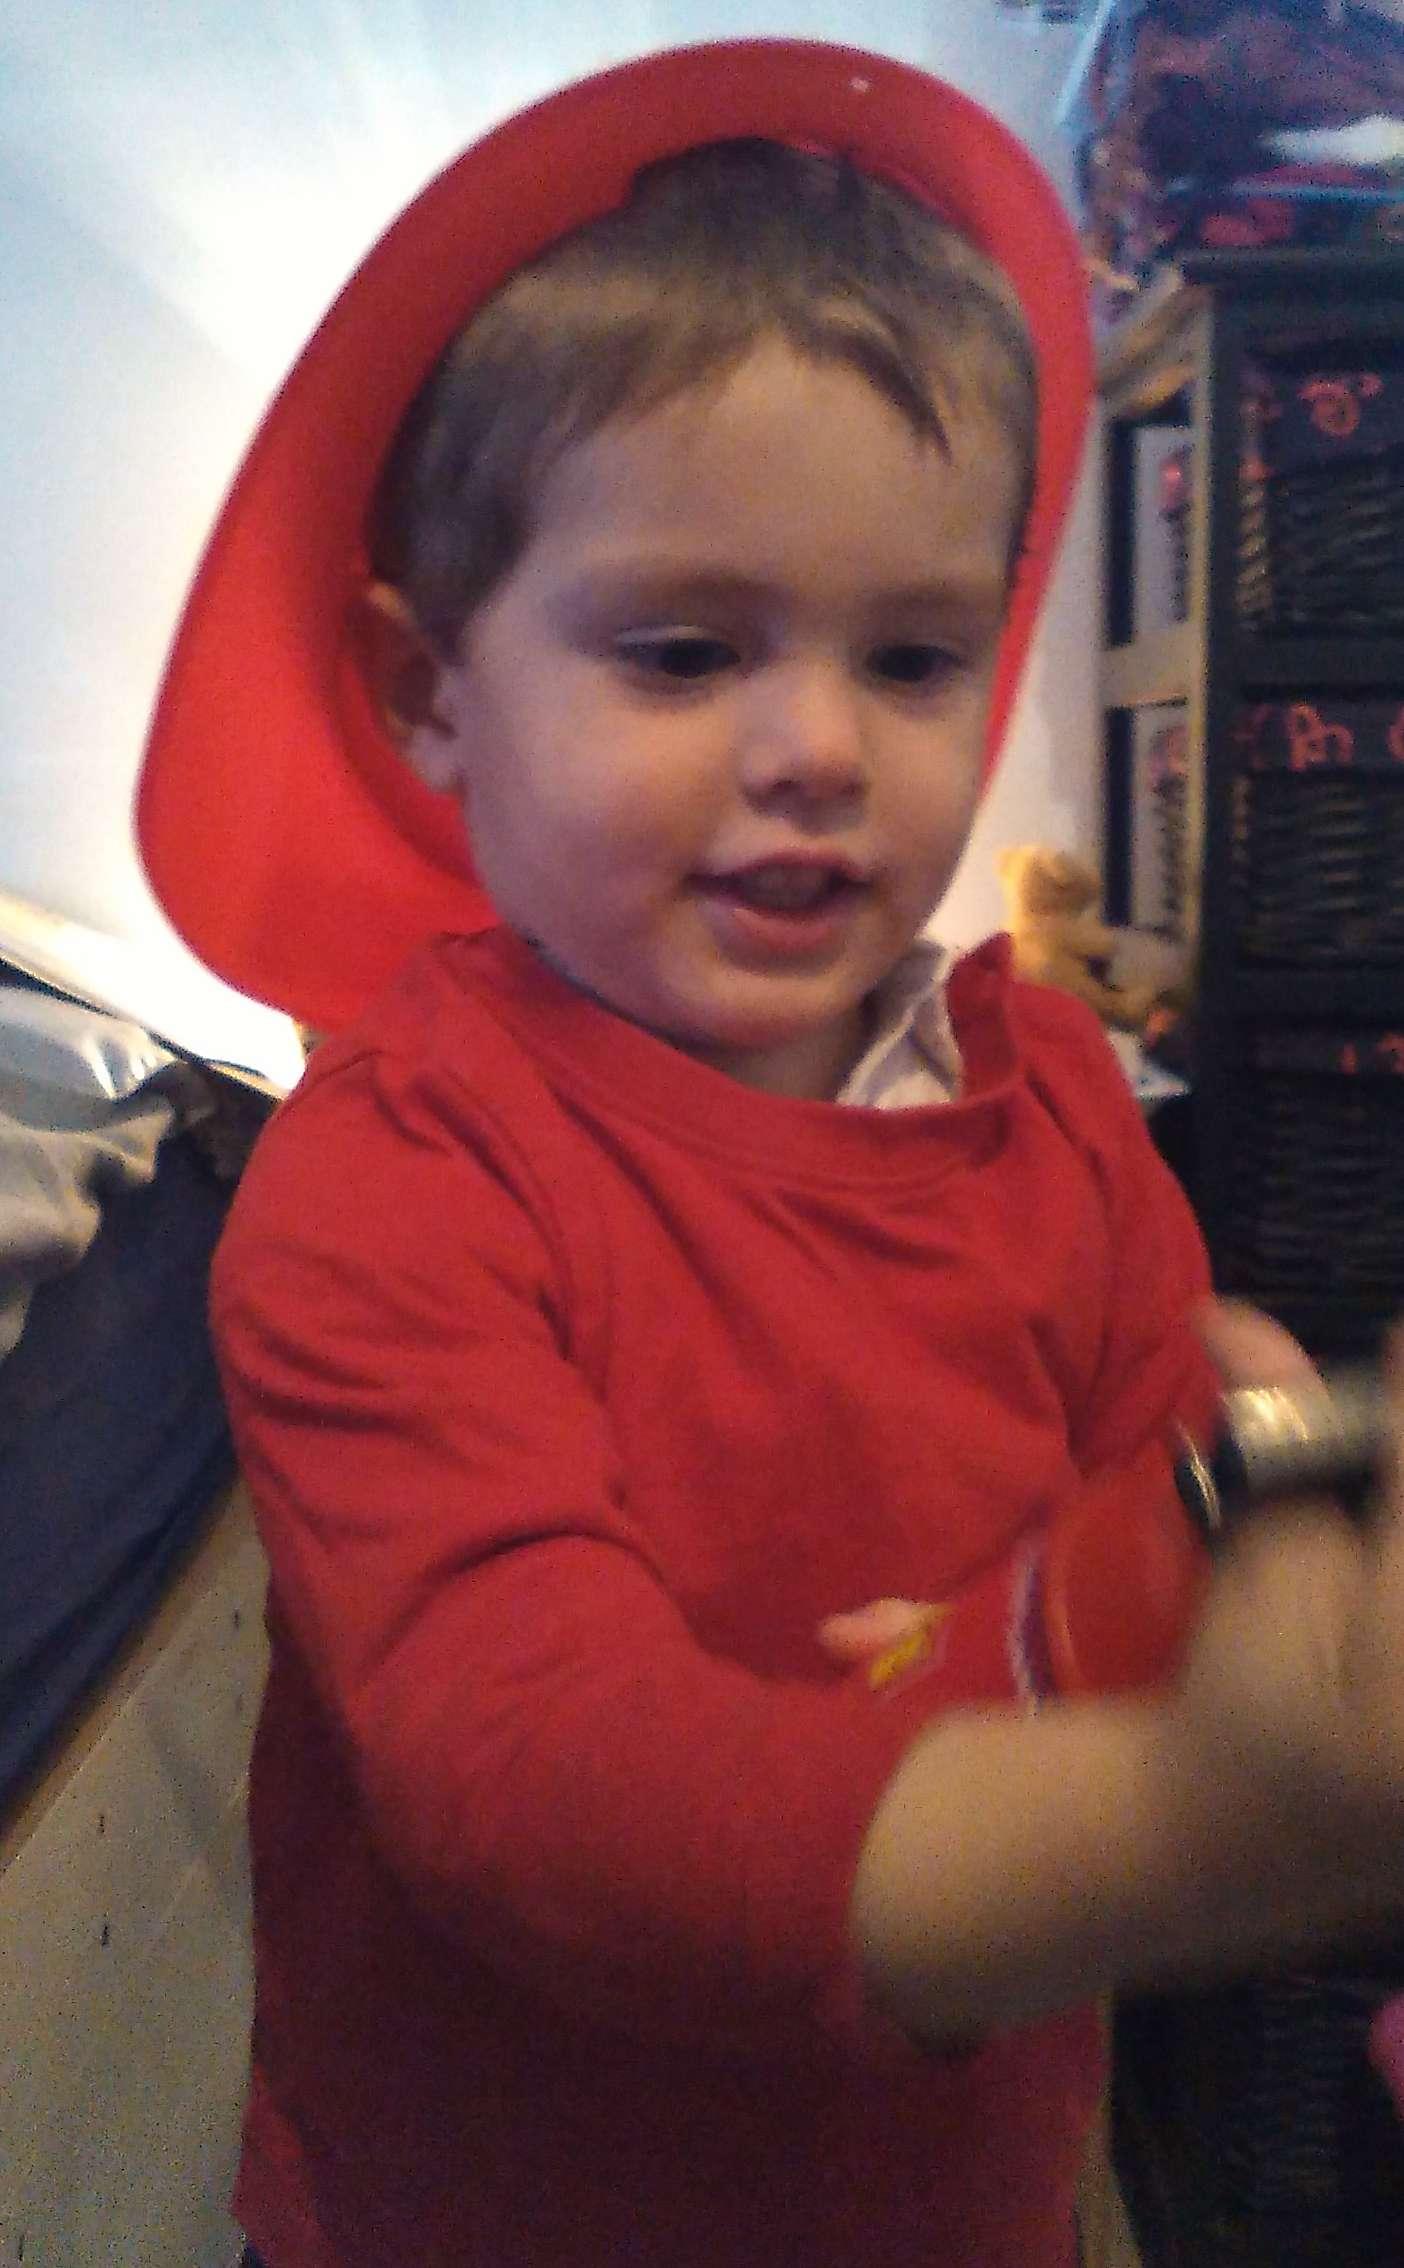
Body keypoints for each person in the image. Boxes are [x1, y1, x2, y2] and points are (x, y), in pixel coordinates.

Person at [135, 40, 1404, 2268]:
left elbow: (1145, 1510)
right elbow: (526, 1780)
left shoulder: (1056, 1102)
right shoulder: (394, 1175)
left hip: (951, 2192)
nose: (818, 745)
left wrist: (1264, 1497)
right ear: (430, 696)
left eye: (913, 657)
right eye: (684, 650)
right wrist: (1185, 1825)